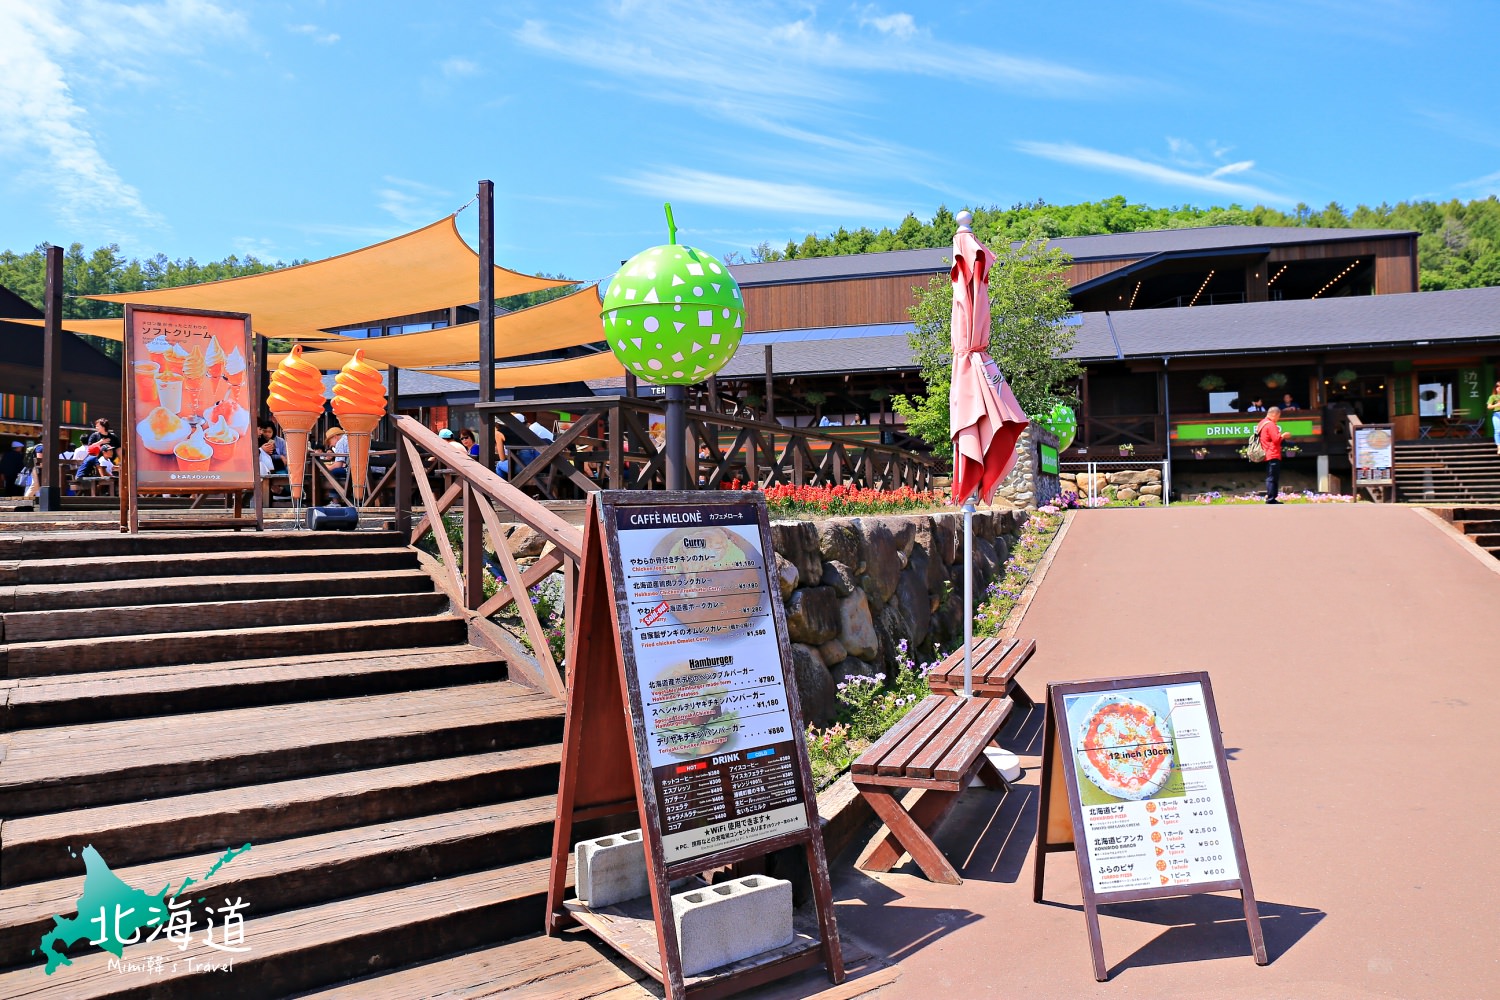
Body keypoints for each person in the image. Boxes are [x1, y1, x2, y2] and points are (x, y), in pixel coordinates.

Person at [1256, 406, 1290, 503]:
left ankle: (1271, 497)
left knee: (1271, 476)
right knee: (1272, 477)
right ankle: (1271, 498)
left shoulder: (1262, 423)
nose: (1278, 419)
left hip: (1266, 453)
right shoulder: (1271, 425)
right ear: (1275, 414)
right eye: (1279, 416)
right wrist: (1284, 436)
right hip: (1273, 453)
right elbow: (1276, 439)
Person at [1488, 381, 1500, 455]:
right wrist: (1497, 405)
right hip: (1496, 414)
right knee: (1497, 431)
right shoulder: (1492, 397)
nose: (1499, 388)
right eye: (1497, 386)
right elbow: (1489, 407)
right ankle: (1499, 448)